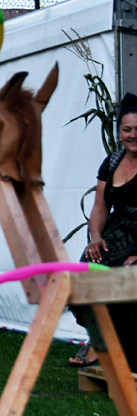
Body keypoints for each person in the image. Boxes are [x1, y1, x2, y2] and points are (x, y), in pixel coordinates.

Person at [70, 93, 137, 369]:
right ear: (119, 131)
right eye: (127, 129)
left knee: (123, 289)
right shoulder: (112, 162)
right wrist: (96, 237)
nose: (133, 135)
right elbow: (100, 207)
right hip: (116, 233)